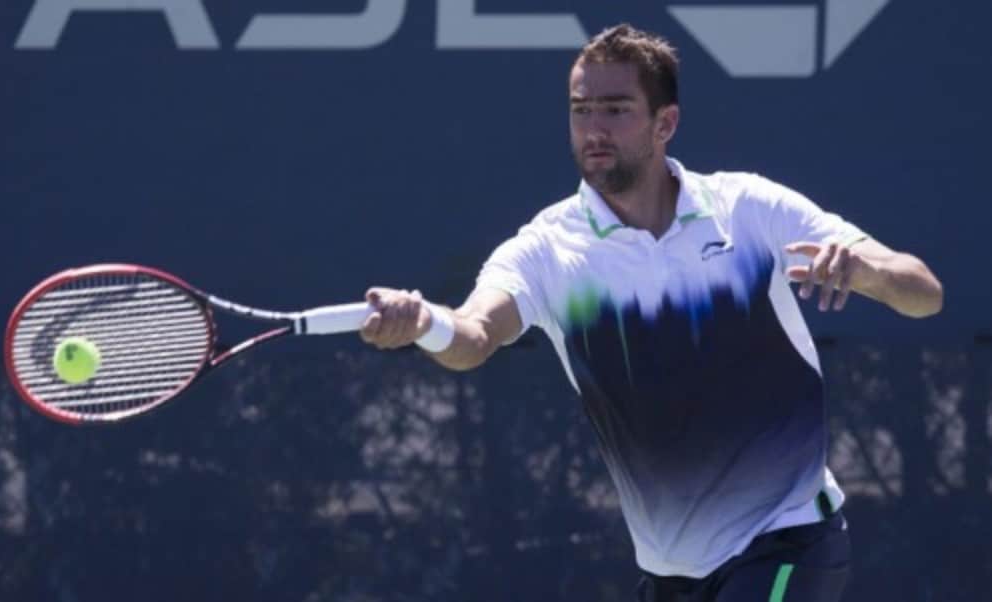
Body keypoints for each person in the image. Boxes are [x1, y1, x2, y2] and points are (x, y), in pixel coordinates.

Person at [357, 23, 943, 602]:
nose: (593, 129)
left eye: (614, 110)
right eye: (580, 109)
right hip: (670, 572)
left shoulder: (748, 210)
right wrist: (424, 323)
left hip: (790, 537)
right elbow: (475, 335)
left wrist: (865, 271)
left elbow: (924, 292)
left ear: (665, 123)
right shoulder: (545, 250)